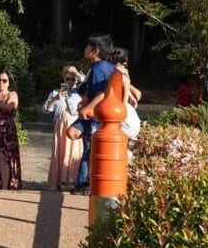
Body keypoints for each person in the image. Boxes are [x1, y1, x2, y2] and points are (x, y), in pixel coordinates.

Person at [66, 34, 115, 195]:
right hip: (90, 113)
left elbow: (102, 94)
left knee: (90, 148)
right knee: (72, 133)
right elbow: (90, 91)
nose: (85, 49)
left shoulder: (101, 68)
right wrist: (84, 100)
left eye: (87, 47)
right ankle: (83, 181)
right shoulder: (98, 67)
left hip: (97, 115)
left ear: (95, 51)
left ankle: (85, 183)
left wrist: (88, 108)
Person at [44, 65, 83, 190]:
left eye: (73, 79)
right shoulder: (56, 92)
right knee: (59, 152)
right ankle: (58, 182)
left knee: (75, 152)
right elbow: (45, 109)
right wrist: (55, 99)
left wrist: (77, 74)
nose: (70, 82)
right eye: (68, 79)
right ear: (64, 79)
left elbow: (86, 81)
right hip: (60, 126)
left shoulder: (80, 92)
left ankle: (73, 181)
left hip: (75, 125)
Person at [107, 47, 142, 140]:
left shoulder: (119, 77)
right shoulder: (118, 76)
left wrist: (127, 81)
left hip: (125, 118)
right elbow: (137, 97)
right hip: (129, 117)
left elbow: (137, 96)